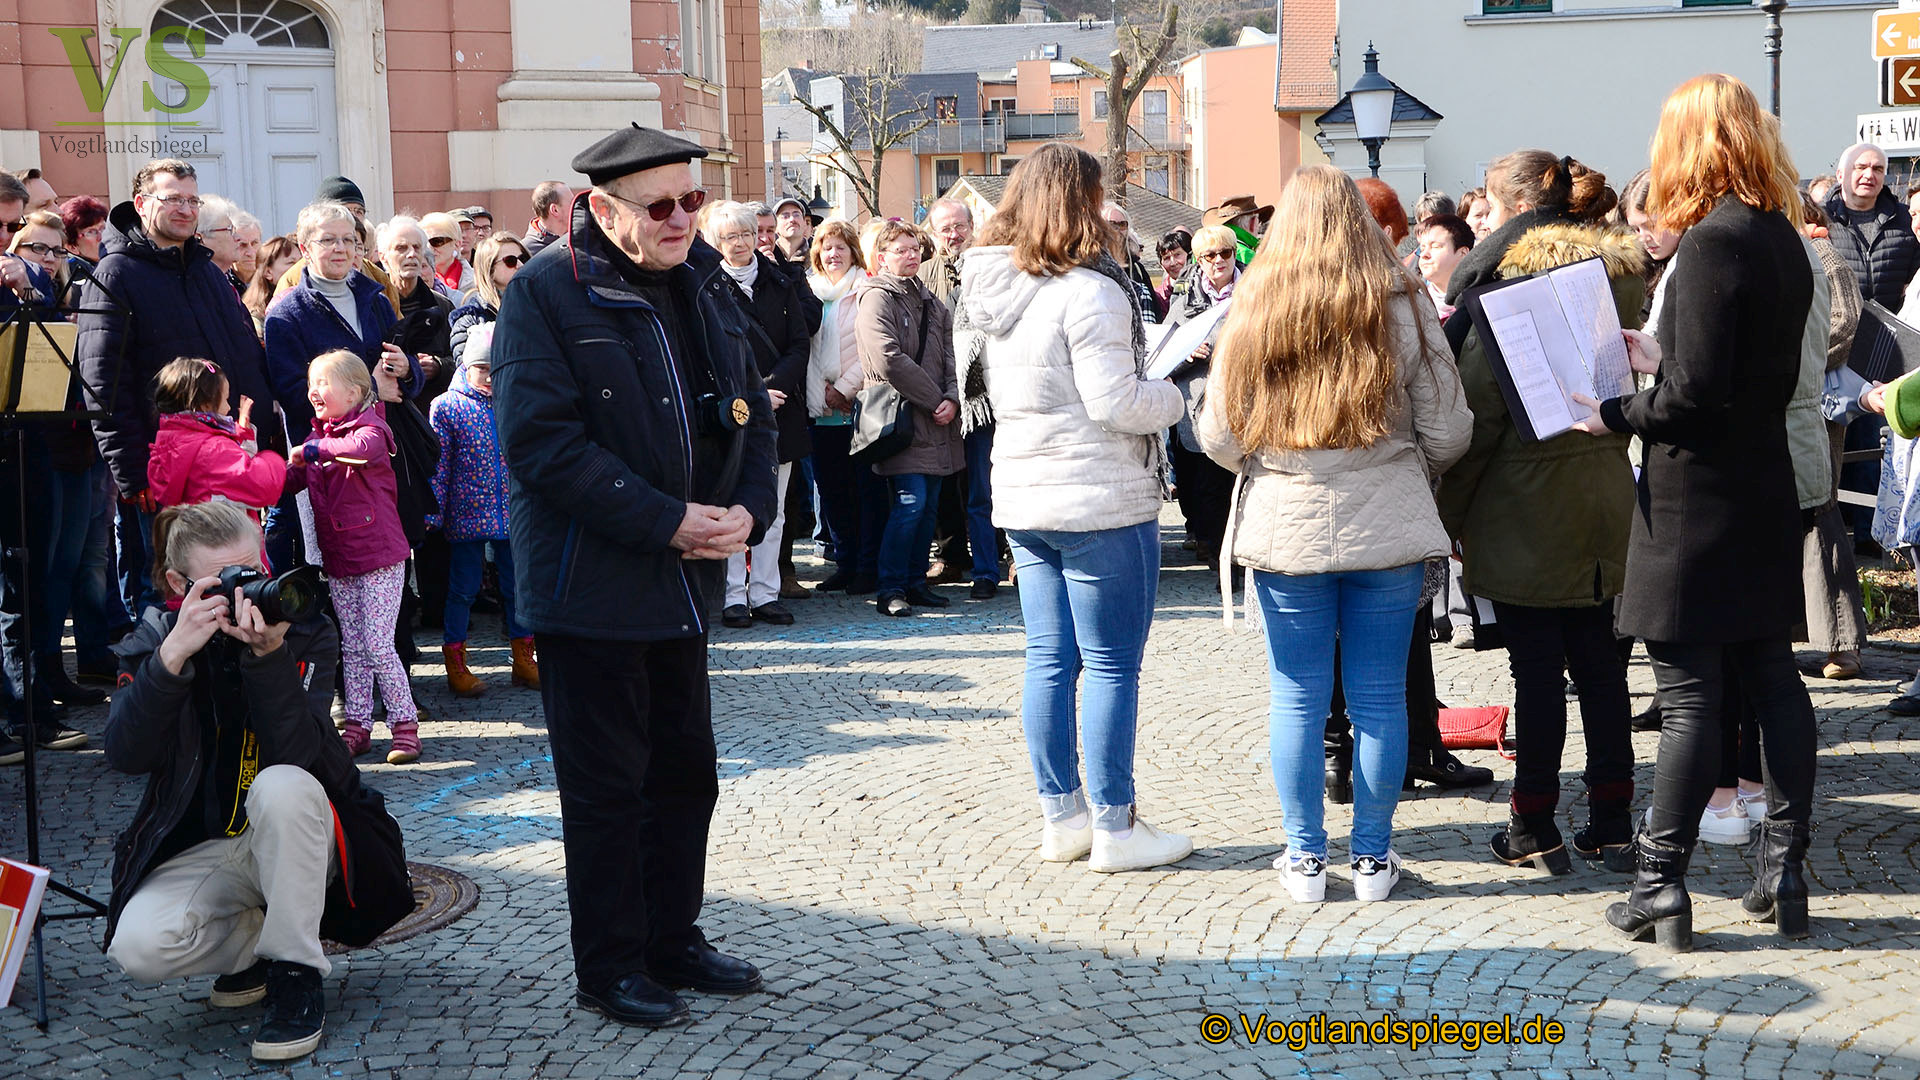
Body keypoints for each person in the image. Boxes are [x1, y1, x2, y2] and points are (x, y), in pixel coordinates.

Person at [490, 124, 779, 1027]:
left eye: (692, 200)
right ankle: (610, 963)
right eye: (661, 206)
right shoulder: (545, 292)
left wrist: (747, 512)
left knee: (686, 774)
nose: (682, 219)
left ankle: (672, 937)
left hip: (685, 583)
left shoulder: (704, 282)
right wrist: (667, 521)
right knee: (608, 790)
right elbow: (542, 447)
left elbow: (754, 410)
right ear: (602, 210)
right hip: (593, 587)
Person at [1571, 74, 1817, 950]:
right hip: (1759, 487)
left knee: (1686, 700)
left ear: (1688, 145)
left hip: (1694, 499)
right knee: (1770, 678)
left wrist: (1609, 411)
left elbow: (1692, 400)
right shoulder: (1781, 236)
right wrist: (1662, 355)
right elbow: (1736, 372)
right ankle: (1783, 872)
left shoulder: (1712, 241)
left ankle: (1659, 887)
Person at [1198, 164, 1471, 904]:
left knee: (1297, 697)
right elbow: (1448, 426)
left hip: (1287, 518)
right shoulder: (1406, 299)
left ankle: (1307, 860)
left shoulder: (1256, 302)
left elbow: (1218, 434)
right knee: (1381, 696)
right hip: (1386, 513)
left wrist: (1272, 459)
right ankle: (1375, 862)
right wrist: (1416, 470)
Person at [102, 500, 410, 1063]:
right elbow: (125, 753)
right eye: (226, 583)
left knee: (281, 786)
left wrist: (269, 656)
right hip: (212, 844)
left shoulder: (303, 628)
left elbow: (301, 757)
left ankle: (296, 970)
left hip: (306, 833)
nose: (247, 596)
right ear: (179, 584)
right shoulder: (157, 638)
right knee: (140, 946)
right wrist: (170, 660)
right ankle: (255, 951)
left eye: (254, 574)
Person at [958, 142, 1193, 873]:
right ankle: (1116, 826)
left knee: (1049, 661)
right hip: (1095, 497)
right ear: (1079, 203)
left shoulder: (994, 285)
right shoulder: (1086, 290)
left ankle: (1062, 816)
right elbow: (1116, 402)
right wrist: (1177, 393)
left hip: (1027, 492)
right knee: (1112, 665)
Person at [1434, 154, 1643, 875]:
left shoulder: (1506, 288)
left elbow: (1481, 417)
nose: (1483, 225)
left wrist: (1448, 515)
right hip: (1606, 495)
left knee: (1537, 675)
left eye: (1488, 212)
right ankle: (1614, 821)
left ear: (1517, 206)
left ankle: (1534, 825)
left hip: (1526, 506)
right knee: (1604, 671)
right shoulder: (1616, 277)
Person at [76, 159, 276, 619]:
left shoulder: (207, 271)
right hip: (165, 470)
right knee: (172, 595)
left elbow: (243, 356)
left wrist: (257, 428)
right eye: (173, 199)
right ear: (143, 204)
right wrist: (130, 470)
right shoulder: (115, 274)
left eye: (192, 199)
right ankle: (167, 685)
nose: (185, 209)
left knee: (234, 586)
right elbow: (102, 380)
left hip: (227, 462)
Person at [285, 350, 421, 764]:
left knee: (380, 644)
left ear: (357, 391)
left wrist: (313, 451)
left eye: (324, 382)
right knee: (355, 647)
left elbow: (360, 449)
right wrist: (251, 472)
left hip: (380, 557)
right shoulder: (315, 439)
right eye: (312, 382)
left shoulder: (372, 427)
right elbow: (285, 482)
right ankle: (357, 726)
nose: (314, 390)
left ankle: (404, 725)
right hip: (340, 560)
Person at [703, 201, 808, 628]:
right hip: (733, 410)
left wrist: (774, 386)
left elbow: (800, 342)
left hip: (782, 410)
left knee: (774, 507)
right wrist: (757, 393)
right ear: (716, 242)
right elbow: (706, 353)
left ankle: (765, 591)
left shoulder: (780, 282)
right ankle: (732, 595)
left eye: (747, 234)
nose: (742, 243)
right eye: (731, 236)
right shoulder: (705, 290)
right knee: (729, 506)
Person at [858, 219, 962, 617]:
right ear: (882, 257)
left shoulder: (932, 301)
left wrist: (952, 397)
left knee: (929, 507)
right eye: (900, 250)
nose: (910, 255)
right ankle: (891, 588)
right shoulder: (876, 298)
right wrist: (936, 398)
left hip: (937, 419)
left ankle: (916, 582)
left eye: (914, 249)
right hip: (899, 417)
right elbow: (888, 359)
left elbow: (952, 351)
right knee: (910, 504)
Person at [428, 323, 535, 696]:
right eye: (482, 369)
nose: (489, 378)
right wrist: (433, 512)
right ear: (466, 366)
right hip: (466, 514)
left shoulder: (514, 400)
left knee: (517, 586)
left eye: (496, 369)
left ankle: (524, 658)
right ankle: (455, 662)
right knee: (463, 589)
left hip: (512, 513)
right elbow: (439, 467)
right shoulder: (447, 407)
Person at [919, 197, 999, 596]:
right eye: (945, 228)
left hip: (1001, 395)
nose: (953, 234)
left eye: (959, 226)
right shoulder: (926, 276)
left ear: (972, 225)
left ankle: (1009, 561)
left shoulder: (997, 267)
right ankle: (977, 567)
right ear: (935, 233)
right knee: (968, 492)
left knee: (996, 488)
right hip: (959, 398)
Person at [805, 220, 882, 595]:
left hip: (858, 405)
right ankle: (845, 562)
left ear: (853, 252)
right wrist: (821, 390)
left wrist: (843, 389)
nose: (832, 254)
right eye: (825, 247)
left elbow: (872, 345)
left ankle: (868, 566)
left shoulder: (865, 288)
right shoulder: (809, 291)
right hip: (820, 409)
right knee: (833, 491)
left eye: (840, 247)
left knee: (864, 491)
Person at [1164, 223, 1242, 573]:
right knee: (1206, 487)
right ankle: (1215, 551)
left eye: (1225, 253)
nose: (1218, 261)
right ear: (1198, 259)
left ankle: (1238, 552)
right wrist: (1187, 351)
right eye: (1210, 255)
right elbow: (1164, 355)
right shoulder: (1184, 302)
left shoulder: (1253, 295)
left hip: (1243, 403)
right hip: (1200, 406)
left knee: (1238, 483)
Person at [146, 357, 286, 521]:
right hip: (227, 540)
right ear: (205, 405)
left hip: (195, 540)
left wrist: (241, 434)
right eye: (225, 399)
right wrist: (272, 459)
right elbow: (261, 487)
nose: (228, 407)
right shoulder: (212, 450)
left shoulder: (174, 443)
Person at [1824, 143, 1920, 311]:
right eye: (1860, 167)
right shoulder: (1818, 220)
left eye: (1877, 169)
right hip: (1835, 333)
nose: (1869, 175)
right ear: (1840, 175)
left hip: (1894, 333)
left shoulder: (1907, 219)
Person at [377, 216, 454, 400]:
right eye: (401, 248)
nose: (411, 254)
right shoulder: (374, 306)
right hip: (389, 409)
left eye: (416, 248)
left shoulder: (441, 305)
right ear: (383, 257)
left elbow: (461, 361)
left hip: (431, 411)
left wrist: (439, 366)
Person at [448, 234, 529, 369]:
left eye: (523, 258)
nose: (520, 265)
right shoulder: (470, 319)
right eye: (510, 261)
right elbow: (470, 374)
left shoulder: (539, 306)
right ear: (490, 269)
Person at [1413, 214, 1473, 319]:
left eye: (1435, 246)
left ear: (1463, 253)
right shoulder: (1413, 305)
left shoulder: (1480, 302)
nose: (1424, 255)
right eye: (1422, 249)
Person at [242, 236, 300, 331]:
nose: (298, 268)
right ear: (268, 272)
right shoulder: (255, 318)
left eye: (300, 262)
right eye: (291, 263)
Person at [420, 212, 475, 299]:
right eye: (424, 242)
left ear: (457, 244)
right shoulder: (414, 279)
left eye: (437, 241)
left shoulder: (477, 281)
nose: (429, 248)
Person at [197, 195, 245, 293]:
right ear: (200, 239)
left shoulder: (234, 284)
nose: (238, 238)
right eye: (230, 230)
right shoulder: (198, 288)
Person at [522, 180, 572, 258]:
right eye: (571, 202)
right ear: (555, 210)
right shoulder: (526, 252)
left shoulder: (580, 239)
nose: (576, 205)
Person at [59, 194, 109, 266]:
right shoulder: (77, 273)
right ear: (72, 247)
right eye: (91, 232)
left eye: (104, 228)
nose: (102, 236)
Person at [1154, 230, 1191, 313]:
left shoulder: (1204, 286)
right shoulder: (1159, 296)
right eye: (1166, 258)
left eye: (1177, 255)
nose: (1173, 263)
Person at [771, 195, 813, 263]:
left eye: (796, 215)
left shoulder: (818, 258)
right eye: (785, 216)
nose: (792, 219)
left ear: (804, 223)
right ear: (775, 226)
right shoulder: (767, 260)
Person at [232, 210, 264, 283]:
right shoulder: (222, 283)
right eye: (242, 245)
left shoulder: (271, 280)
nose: (251, 253)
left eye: (254, 243)